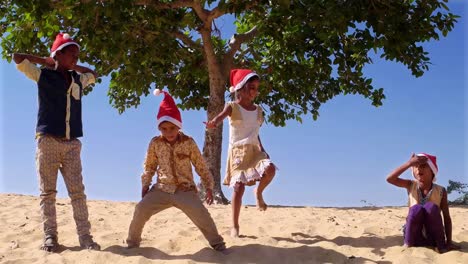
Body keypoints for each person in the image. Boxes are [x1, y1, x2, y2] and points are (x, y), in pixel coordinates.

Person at [13, 33, 100, 252]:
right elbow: (17, 58)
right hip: (48, 141)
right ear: (58, 54)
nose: (76, 59)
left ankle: (85, 237)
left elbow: (93, 74)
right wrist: (47, 61)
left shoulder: (78, 79)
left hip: (72, 144)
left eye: (77, 55)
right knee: (48, 193)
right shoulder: (42, 75)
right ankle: (50, 237)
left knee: (77, 193)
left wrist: (72, 67)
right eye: (71, 54)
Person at [126, 89, 226, 253]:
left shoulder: (188, 142)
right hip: (162, 189)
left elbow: (200, 165)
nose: (168, 132)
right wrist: (145, 185)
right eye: (164, 129)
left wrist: (209, 186)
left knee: (202, 215)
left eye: (172, 128)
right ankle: (132, 244)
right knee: (140, 209)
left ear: (178, 126)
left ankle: (218, 245)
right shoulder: (155, 143)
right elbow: (149, 166)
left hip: (184, 190)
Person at [205, 69, 277, 238]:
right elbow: (220, 117)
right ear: (241, 88)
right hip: (237, 152)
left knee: (271, 169)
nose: (254, 91)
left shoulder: (258, 110)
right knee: (238, 187)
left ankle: (258, 193)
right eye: (251, 87)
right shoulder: (233, 107)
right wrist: (213, 123)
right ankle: (235, 226)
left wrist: (263, 150)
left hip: (254, 150)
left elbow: (255, 132)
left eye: (256, 88)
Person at [386, 153, 460, 253]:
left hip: (433, 238)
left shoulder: (441, 191)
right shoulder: (410, 185)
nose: (419, 169)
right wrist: (409, 163)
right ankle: (408, 244)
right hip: (415, 237)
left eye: (423, 166)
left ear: (432, 171)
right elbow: (390, 179)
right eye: (416, 166)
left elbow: (447, 218)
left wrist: (449, 242)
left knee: (431, 208)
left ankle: (441, 246)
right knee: (416, 209)